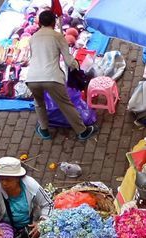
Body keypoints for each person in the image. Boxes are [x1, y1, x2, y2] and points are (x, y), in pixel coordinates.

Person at [27, 10, 97, 142]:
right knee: (65, 104)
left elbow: (33, 58)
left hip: (32, 78)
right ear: (54, 22)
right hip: (52, 77)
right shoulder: (57, 36)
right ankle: (82, 132)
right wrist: (77, 66)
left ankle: (44, 130)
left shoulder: (33, 38)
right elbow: (68, 60)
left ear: (40, 23)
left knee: (39, 103)